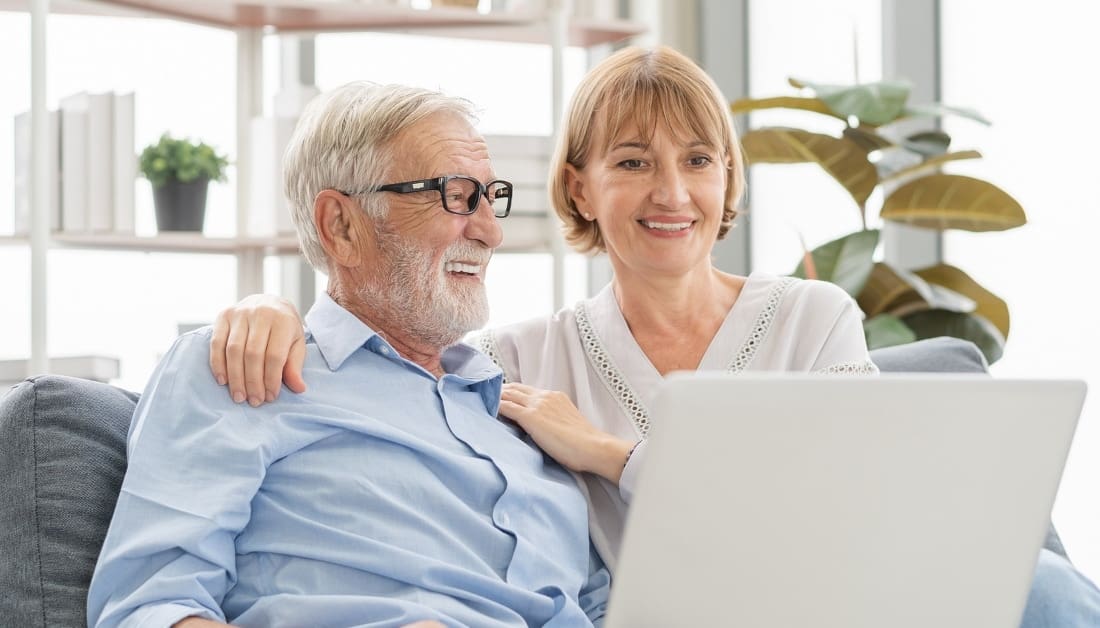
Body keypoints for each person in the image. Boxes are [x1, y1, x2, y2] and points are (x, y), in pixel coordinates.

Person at [209, 46, 1100, 625]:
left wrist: (609, 454)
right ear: (580, 188)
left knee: (1047, 584)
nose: (673, 193)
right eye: (634, 163)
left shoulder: (812, 317)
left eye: (699, 162)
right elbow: (385, 345)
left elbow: (840, 527)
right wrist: (272, 308)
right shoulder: (512, 360)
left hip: (833, 608)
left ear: (727, 182)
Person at [87, 82, 610, 628]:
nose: (490, 231)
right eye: (455, 195)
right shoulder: (238, 371)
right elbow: (149, 608)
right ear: (341, 225)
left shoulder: (522, 418)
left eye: (489, 196)